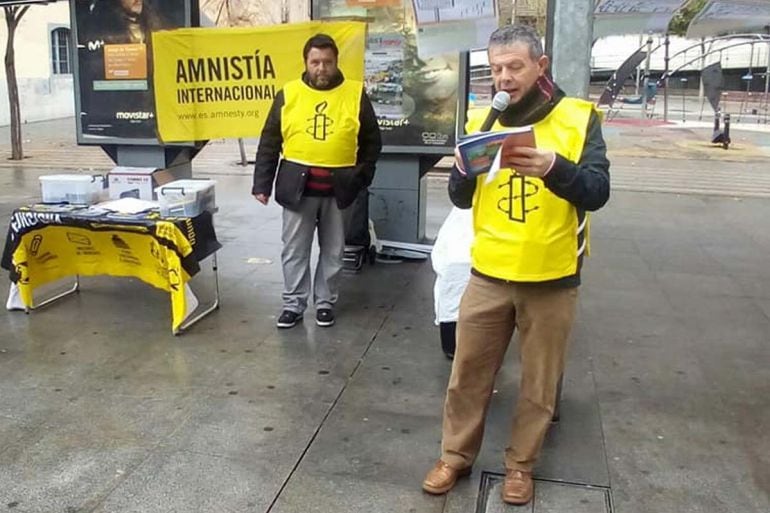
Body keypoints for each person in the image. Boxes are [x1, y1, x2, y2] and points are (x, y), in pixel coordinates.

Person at [422, 24, 610, 505]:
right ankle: (454, 457)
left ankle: (520, 466)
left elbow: (597, 192)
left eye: (515, 67)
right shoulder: (484, 119)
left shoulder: (579, 118)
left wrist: (555, 169)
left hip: (551, 278)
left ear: (540, 66)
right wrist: (463, 170)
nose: (503, 78)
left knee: (538, 384)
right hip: (488, 273)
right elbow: (460, 199)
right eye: (497, 69)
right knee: (467, 375)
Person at [252, 34, 382, 329]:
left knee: (334, 250)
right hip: (297, 190)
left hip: (340, 190)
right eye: (315, 62)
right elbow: (270, 141)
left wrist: (362, 176)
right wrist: (262, 184)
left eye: (327, 62)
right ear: (306, 63)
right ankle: (293, 304)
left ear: (336, 62)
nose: (321, 68)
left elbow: (372, 141)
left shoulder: (355, 93)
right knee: (295, 249)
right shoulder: (288, 94)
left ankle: (325, 302)